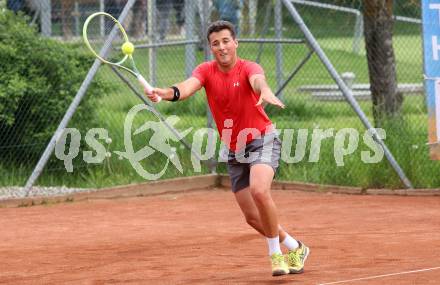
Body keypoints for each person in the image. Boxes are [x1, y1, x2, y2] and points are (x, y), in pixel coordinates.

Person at [145, 20, 310, 277]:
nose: (221, 47)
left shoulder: (248, 67)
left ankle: (275, 254)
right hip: (234, 149)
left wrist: (264, 91)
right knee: (252, 217)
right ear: (210, 48)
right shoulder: (206, 71)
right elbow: (186, 88)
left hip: (262, 139)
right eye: (215, 43)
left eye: (225, 41)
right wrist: (164, 93)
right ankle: (295, 247)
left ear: (235, 43)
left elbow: (258, 81)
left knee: (259, 190)